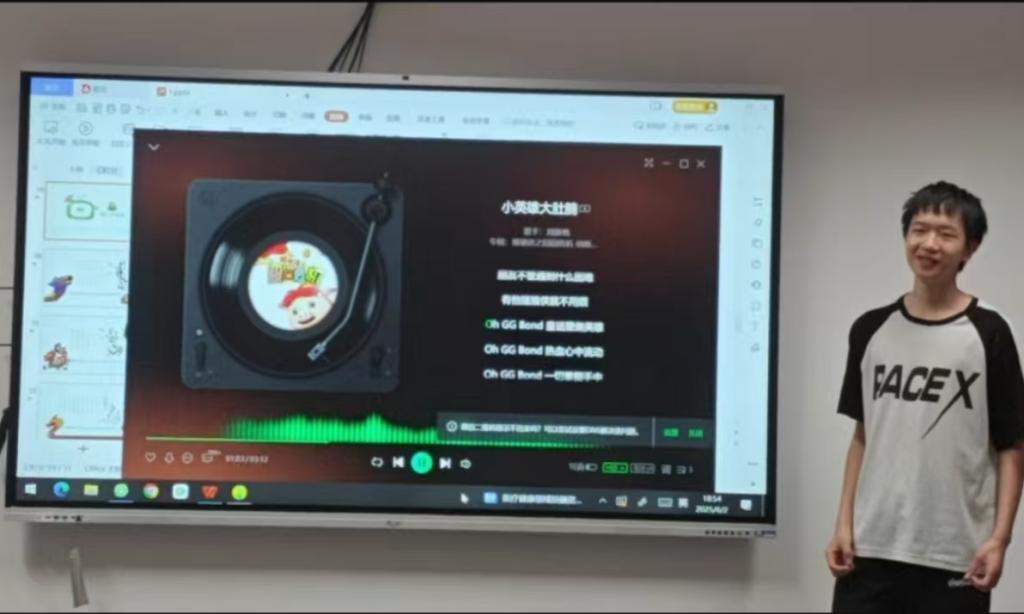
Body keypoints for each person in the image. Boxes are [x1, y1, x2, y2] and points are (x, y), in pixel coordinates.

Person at [826, 181, 1024, 613]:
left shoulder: (990, 333)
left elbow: (1011, 445)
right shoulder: (870, 329)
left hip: (955, 554)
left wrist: (1000, 539)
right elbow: (862, 436)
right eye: (919, 230)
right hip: (870, 549)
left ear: (970, 248)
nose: (929, 243)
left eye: (946, 234)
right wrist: (843, 525)